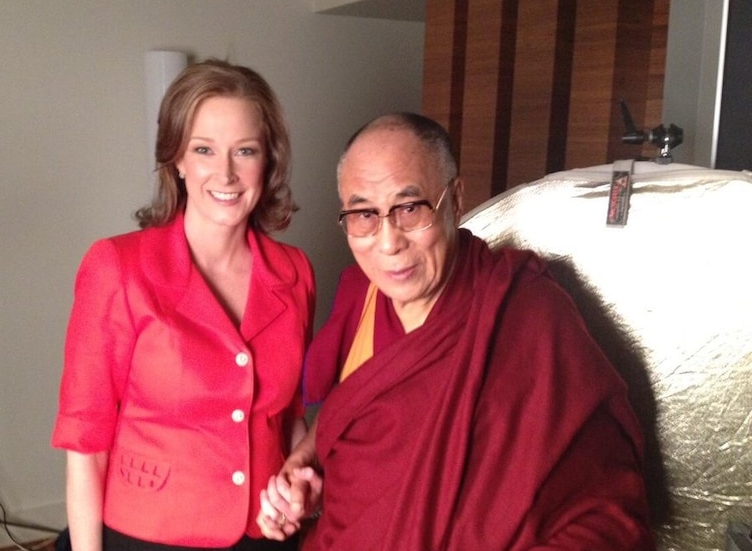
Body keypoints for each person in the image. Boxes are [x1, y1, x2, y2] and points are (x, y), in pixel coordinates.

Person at [256, 113, 655, 550]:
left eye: (410, 209)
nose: (388, 242)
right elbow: (349, 414)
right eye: (364, 214)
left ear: (457, 199)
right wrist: (302, 467)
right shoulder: (360, 297)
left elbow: (605, 507)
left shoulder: (527, 313)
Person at [52, 59, 315, 551]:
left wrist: (298, 486)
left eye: (245, 151)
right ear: (176, 159)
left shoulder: (295, 272)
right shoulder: (117, 267)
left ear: (269, 161)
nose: (227, 173)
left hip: (265, 535)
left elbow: (290, 417)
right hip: (147, 534)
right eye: (204, 150)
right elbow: (85, 445)